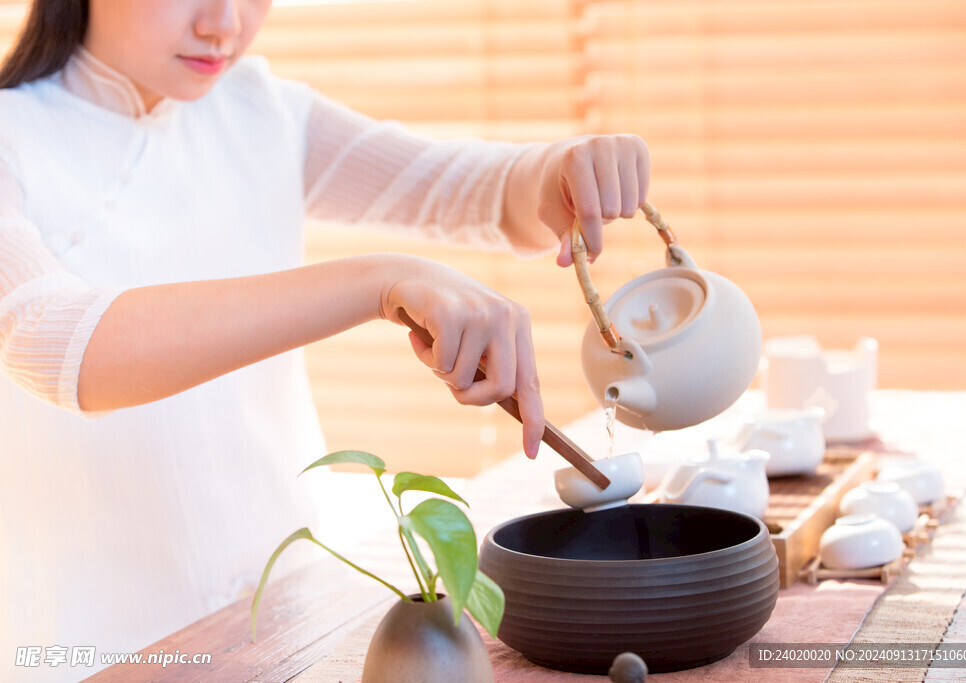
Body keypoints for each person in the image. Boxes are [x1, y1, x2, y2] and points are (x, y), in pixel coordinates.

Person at [0, 0, 650, 679]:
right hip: (90, 656)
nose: (225, 23)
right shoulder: (11, 139)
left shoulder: (259, 112)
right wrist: (380, 282)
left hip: (286, 636)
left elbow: (481, 191)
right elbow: (61, 344)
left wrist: (563, 172)